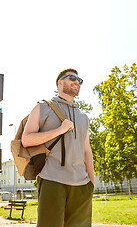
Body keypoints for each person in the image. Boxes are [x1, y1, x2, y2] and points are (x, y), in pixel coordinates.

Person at [22, 68, 95, 227]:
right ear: (60, 83)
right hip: (52, 181)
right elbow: (26, 139)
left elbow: (87, 150)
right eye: (72, 78)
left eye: (79, 80)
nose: (77, 82)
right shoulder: (42, 107)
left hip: (82, 185)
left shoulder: (83, 116)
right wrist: (60, 130)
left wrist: (91, 182)